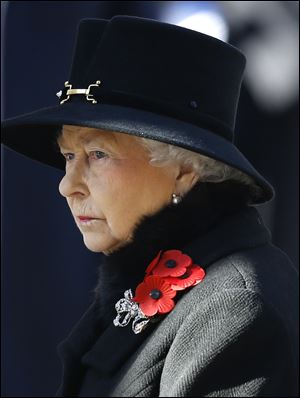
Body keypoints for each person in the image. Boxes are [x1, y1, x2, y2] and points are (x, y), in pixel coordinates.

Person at [1, 15, 298, 397]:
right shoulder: (152, 275)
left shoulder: (235, 309)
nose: (66, 185)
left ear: (184, 170)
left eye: (97, 154)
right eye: (68, 156)